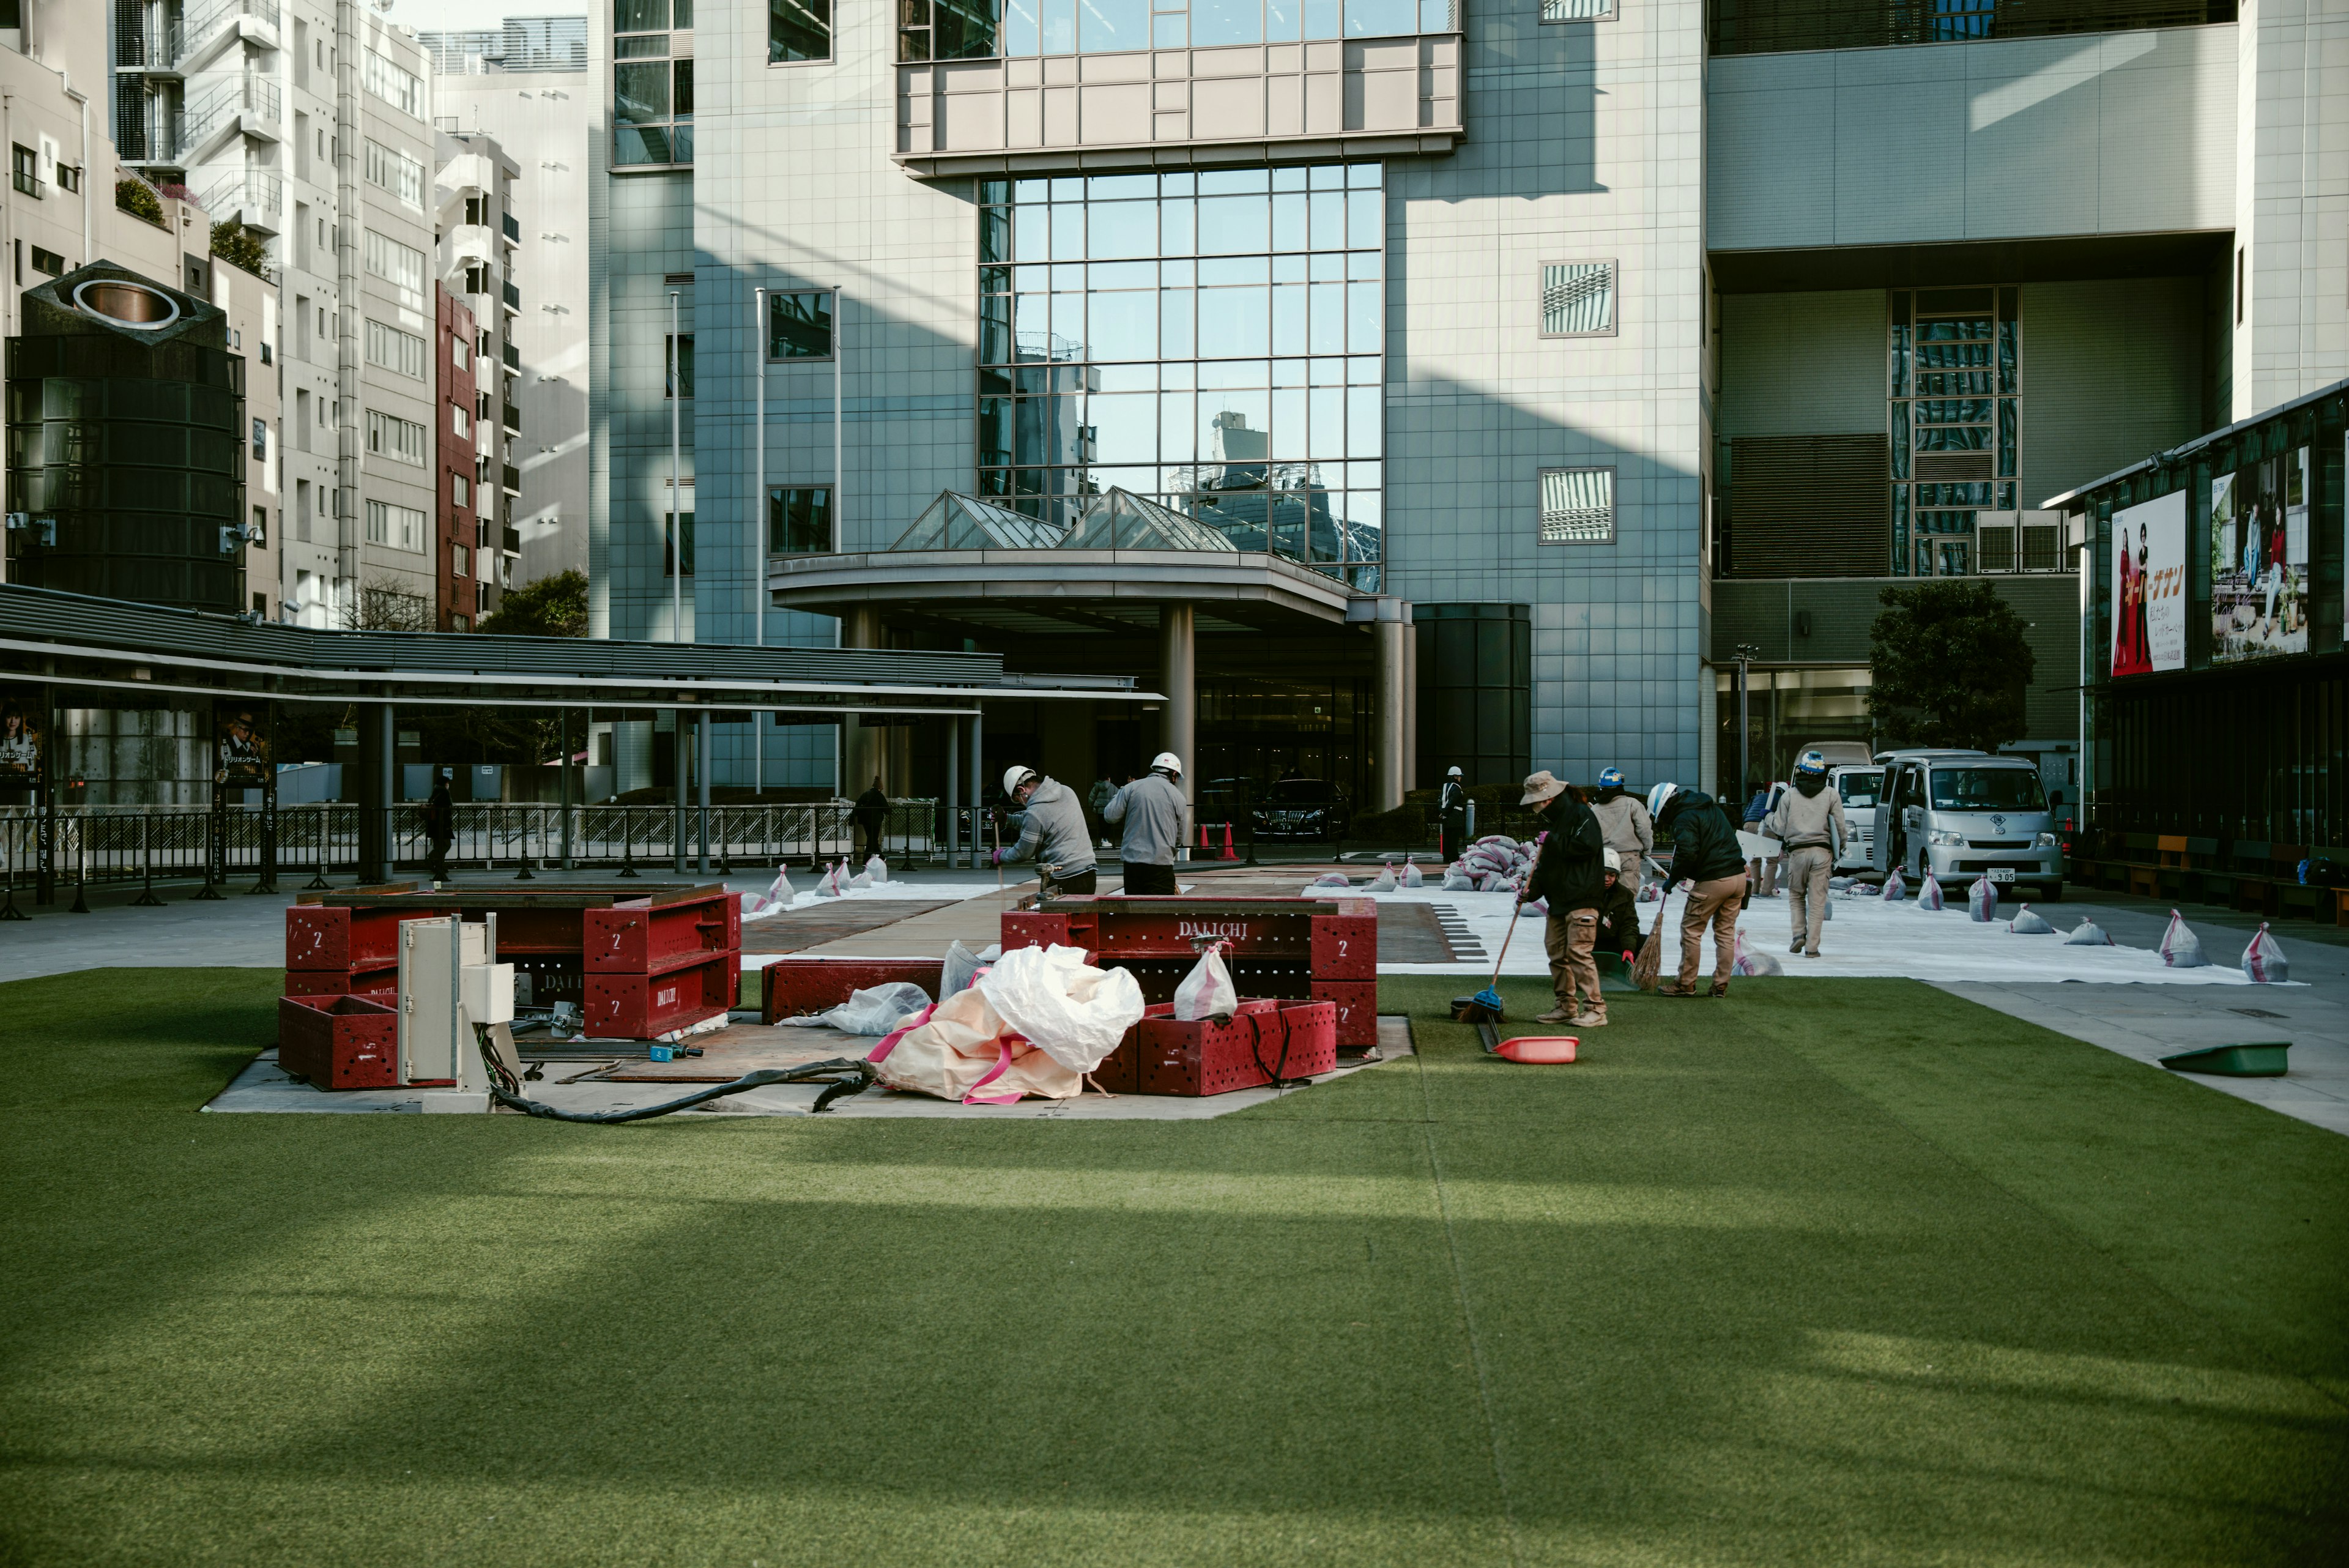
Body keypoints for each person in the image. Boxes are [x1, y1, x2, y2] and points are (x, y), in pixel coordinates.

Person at [1518, 770, 1606, 1027]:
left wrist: (1554, 840)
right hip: (1559, 900)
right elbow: (1547, 867)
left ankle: (1596, 1009)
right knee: (1557, 953)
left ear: (1548, 799)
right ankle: (1566, 1006)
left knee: (1579, 953)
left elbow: (1587, 847)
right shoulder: (1556, 823)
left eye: (1536, 801)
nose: (1535, 808)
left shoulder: (1581, 814)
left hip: (1582, 897)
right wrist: (1531, 892)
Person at [1648, 782, 1748, 998]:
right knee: (1725, 934)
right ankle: (1720, 986)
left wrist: (1672, 879)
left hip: (1714, 879)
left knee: (1692, 931)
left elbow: (1687, 853)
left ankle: (1685, 983)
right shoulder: (1710, 807)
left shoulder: (1683, 818)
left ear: (1664, 806)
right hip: (1738, 877)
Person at [1761, 751, 1849, 959]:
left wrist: (1768, 817)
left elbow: (1781, 828)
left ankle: (1798, 934)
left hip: (1798, 851)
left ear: (1801, 770)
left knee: (1796, 896)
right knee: (1818, 901)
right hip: (1823, 852)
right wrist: (1840, 850)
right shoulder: (1831, 795)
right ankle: (1812, 947)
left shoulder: (1790, 795)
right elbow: (1840, 828)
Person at [990, 764, 1098, 894]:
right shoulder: (1067, 791)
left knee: (1054, 914)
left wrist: (1001, 856)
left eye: (1018, 799)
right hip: (1088, 872)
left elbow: (1023, 853)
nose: (1021, 803)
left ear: (1022, 790)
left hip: (1062, 877)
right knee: (1083, 914)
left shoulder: (1035, 813)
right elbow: (1043, 821)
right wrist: (1007, 819)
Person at [1105, 751, 1186, 895]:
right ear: (1173, 775)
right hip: (1161, 863)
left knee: (1135, 911)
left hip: (1133, 862)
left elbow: (1110, 816)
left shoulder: (1131, 788)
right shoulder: (1177, 796)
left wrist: (1119, 795)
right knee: (1160, 913)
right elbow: (1180, 836)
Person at [1587, 766, 1653, 897]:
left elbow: (1590, 836)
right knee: (1626, 900)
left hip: (1604, 858)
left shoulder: (1595, 810)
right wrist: (1647, 849)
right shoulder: (1632, 804)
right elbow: (1644, 828)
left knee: (1605, 900)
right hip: (1628, 858)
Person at [1594, 849, 1642, 965]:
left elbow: (1629, 924)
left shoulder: (1625, 895)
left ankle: (1631, 976)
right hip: (1587, 942)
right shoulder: (1585, 891)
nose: (1607, 879)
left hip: (1612, 941)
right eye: (1603, 874)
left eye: (1612, 875)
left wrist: (1628, 948)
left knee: (1642, 942)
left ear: (1617, 876)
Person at [1741, 783, 1781, 897]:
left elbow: (1745, 812)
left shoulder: (1756, 797)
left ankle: (1754, 890)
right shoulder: (1782, 799)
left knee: (1755, 859)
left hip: (1749, 824)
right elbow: (1782, 821)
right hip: (1766, 825)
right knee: (1772, 861)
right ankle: (1766, 891)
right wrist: (1781, 846)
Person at [424, 769, 455, 883]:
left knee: (438, 844)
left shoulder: (434, 793)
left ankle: (439, 866)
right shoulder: (445, 793)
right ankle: (432, 858)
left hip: (433, 824)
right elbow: (447, 810)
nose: (448, 785)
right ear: (445, 784)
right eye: (447, 783)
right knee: (446, 845)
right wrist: (448, 824)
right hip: (443, 824)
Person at [853, 776, 889, 861]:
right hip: (876, 821)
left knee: (871, 838)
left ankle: (881, 857)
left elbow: (858, 805)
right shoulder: (880, 796)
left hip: (865, 820)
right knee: (872, 839)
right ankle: (866, 859)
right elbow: (887, 809)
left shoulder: (866, 794)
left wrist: (853, 818)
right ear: (880, 788)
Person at [1438, 765, 1468, 860]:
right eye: (1459, 776)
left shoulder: (1444, 787)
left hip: (1445, 817)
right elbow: (1453, 802)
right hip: (1455, 816)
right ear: (1455, 776)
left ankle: (1446, 857)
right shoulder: (1457, 788)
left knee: (1446, 838)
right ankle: (1454, 857)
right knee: (1454, 839)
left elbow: (1440, 801)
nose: (1461, 778)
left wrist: (1443, 813)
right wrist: (1446, 813)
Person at [1086, 771, 1119, 845]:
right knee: (1108, 824)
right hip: (1109, 808)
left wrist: (1092, 806)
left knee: (1101, 824)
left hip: (1099, 808)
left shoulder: (1097, 786)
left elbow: (1091, 797)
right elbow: (1118, 797)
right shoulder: (1113, 787)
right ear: (1108, 779)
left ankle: (1102, 839)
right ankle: (1105, 839)